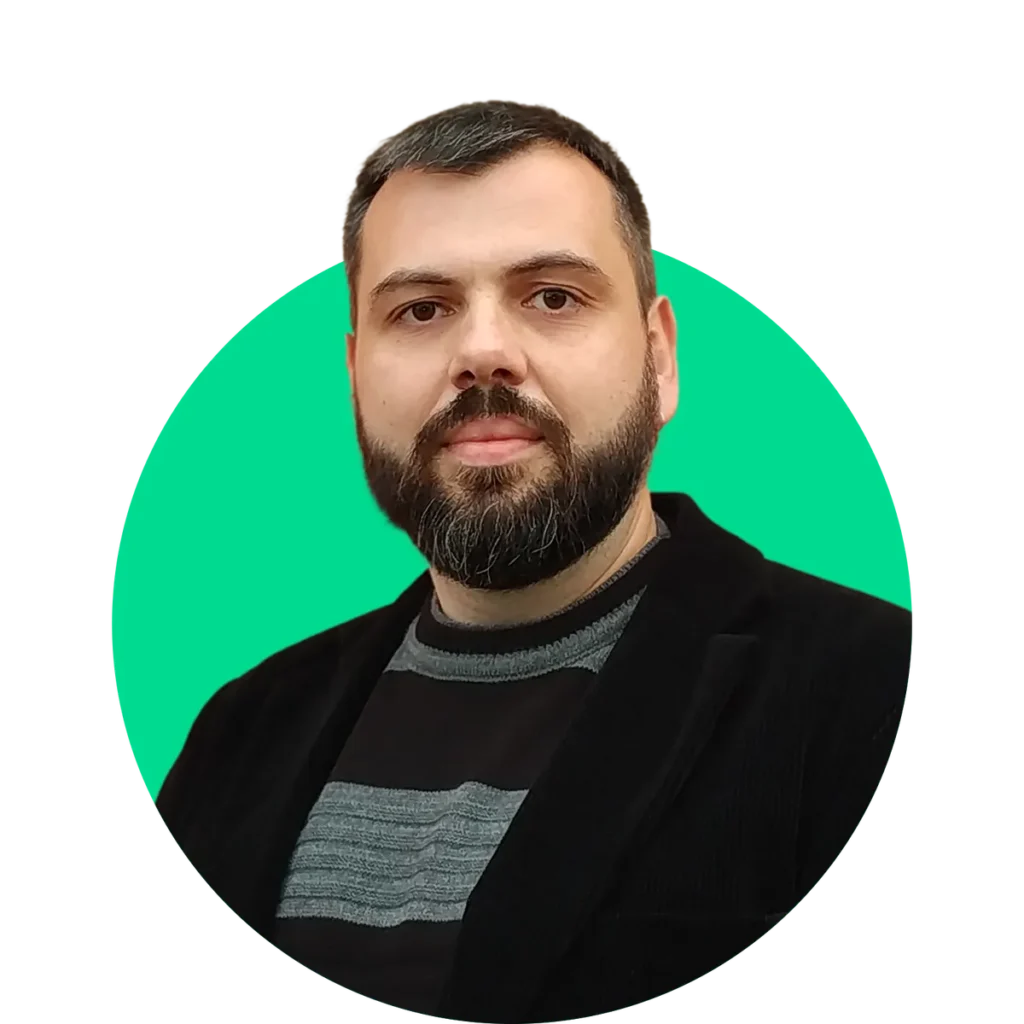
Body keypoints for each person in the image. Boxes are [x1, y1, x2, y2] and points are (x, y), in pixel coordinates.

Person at [156, 98, 914, 1021]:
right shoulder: (239, 732)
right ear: (355, 374)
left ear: (659, 359)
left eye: (553, 296)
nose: (482, 353)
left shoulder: (876, 696)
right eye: (421, 309)